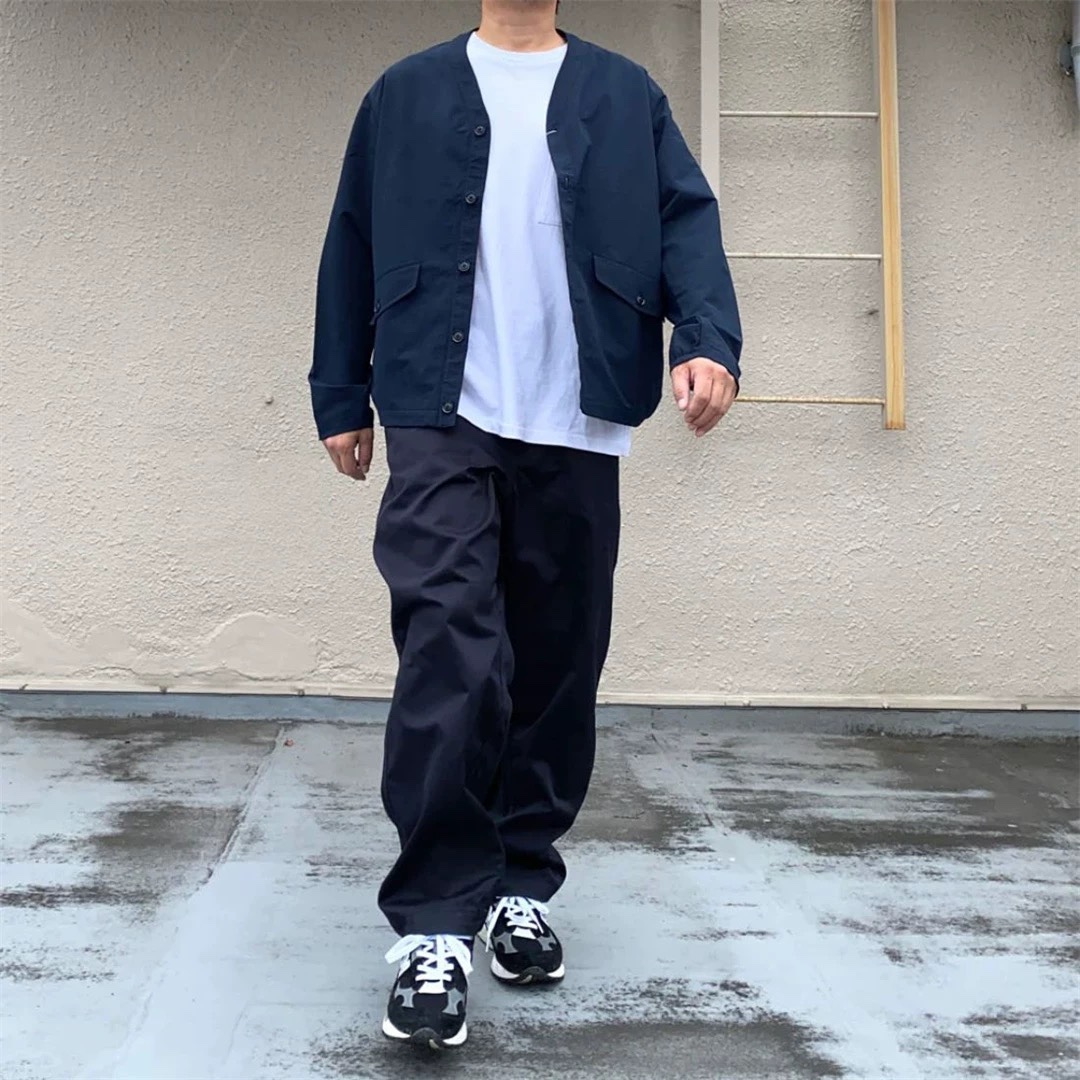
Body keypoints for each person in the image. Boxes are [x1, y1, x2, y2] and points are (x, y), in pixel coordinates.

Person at [309, 0, 741, 1051]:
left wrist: (706, 337)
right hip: (439, 410)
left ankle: (518, 883)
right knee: (450, 647)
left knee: (556, 660)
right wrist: (340, 392)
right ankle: (434, 925)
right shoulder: (406, 92)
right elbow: (352, 236)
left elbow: (686, 218)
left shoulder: (624, 94)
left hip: (577, 414)